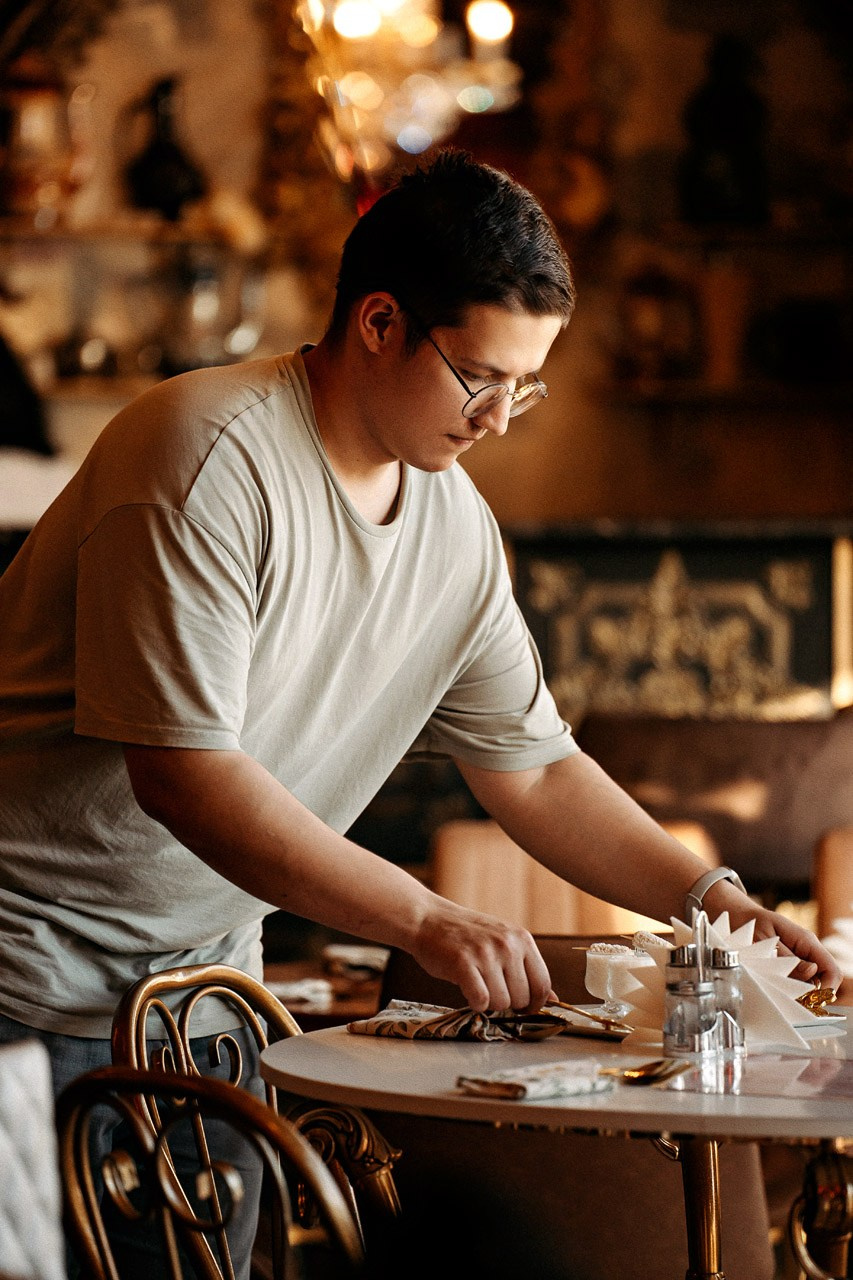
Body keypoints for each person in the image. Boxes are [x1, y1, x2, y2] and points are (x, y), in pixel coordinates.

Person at [0, 146, 839, 1111]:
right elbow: (184, 775)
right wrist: (428, 920)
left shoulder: (454, 525)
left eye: (524, 387)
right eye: (479, 377)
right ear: (380, 321)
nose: (498, 421)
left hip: (205, 993)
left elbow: (534, 772)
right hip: (25, 979)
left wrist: (715, 907)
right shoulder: (206, 455)